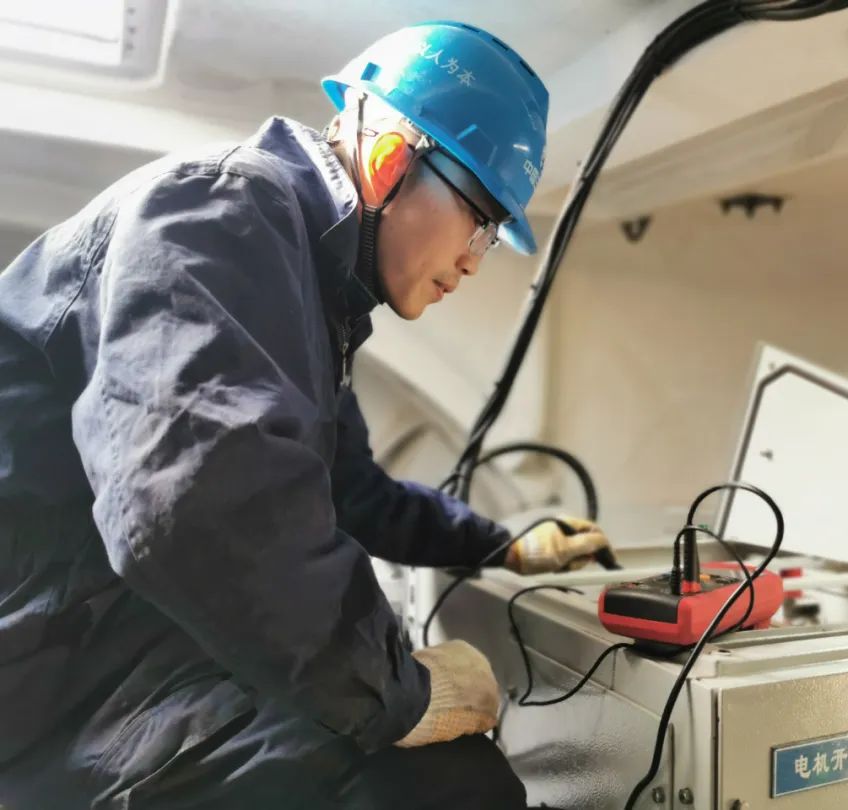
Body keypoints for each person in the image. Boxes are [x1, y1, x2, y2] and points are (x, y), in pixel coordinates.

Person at [0, 20, 613, 810]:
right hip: (51, 687)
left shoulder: (311, 294)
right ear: (389, 162)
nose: (473, 257)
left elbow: (351, 490)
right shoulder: (220, 208)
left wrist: (501, 544)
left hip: (104, 648)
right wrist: (402, 693)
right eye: (480, 216)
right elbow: (193, 506)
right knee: (446, 786)